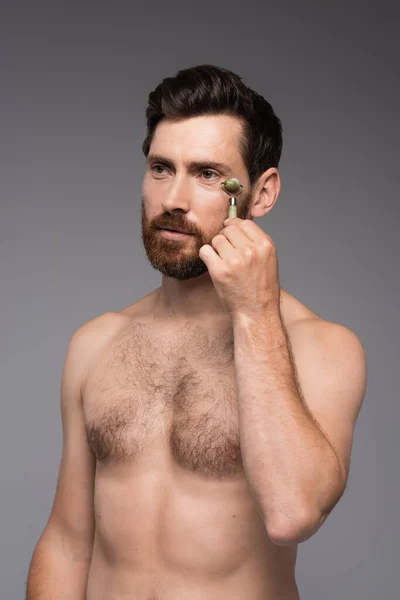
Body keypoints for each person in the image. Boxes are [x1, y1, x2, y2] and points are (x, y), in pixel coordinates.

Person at [26, 64, 367, 599]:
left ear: (261, 194)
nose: (173, 198)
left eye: (208, 174)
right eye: (161, 168)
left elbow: (292, 513)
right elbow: (68, 542)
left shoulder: (322, 347)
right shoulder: (96, 344)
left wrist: (254, 313)